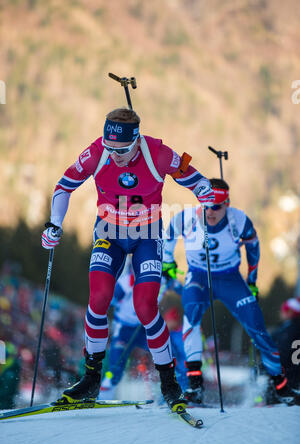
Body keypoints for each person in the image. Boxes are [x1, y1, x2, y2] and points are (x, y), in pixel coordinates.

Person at [41, 107, 214, 410]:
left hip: (147, 235)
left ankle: (169, 382)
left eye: (121, 150)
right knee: (99, 299)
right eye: (110, 148)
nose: (115, 156)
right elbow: (64, 185)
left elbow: (196, 179)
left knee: (145, 306)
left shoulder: (158, 153)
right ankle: (91, 379)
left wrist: (205, 194)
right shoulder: (97, 151)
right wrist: (55, 224)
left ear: (136, 140)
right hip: (109, 232)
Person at [163, 177, 296, 405]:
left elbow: (253, 248)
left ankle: (282, 387)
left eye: (217, 207)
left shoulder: (239, 220)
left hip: (230, 278)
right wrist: (168, 264)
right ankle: (195, 385)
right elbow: (168, 235)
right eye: (206, 206)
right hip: (199, 276)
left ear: (227, 204)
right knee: (191, 313)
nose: (211, 212)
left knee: (257, 327)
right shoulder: (186, 218)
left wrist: (252, 280)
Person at [100, 261, 188, 399]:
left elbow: (183, 290)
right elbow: (106, 303)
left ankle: (181, 391)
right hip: (123, 329)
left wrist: (172, 274)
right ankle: (103, 396)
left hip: (144, 328)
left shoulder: (159, 280)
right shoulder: (126, 282)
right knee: (116, 366)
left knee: (170, 354)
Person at [270, 297, 300, 393]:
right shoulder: (288, 328)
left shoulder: (289, 330)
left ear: (291, 312)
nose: (280, 313)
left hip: (289, 381)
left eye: (283, 310)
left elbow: (282, 354)